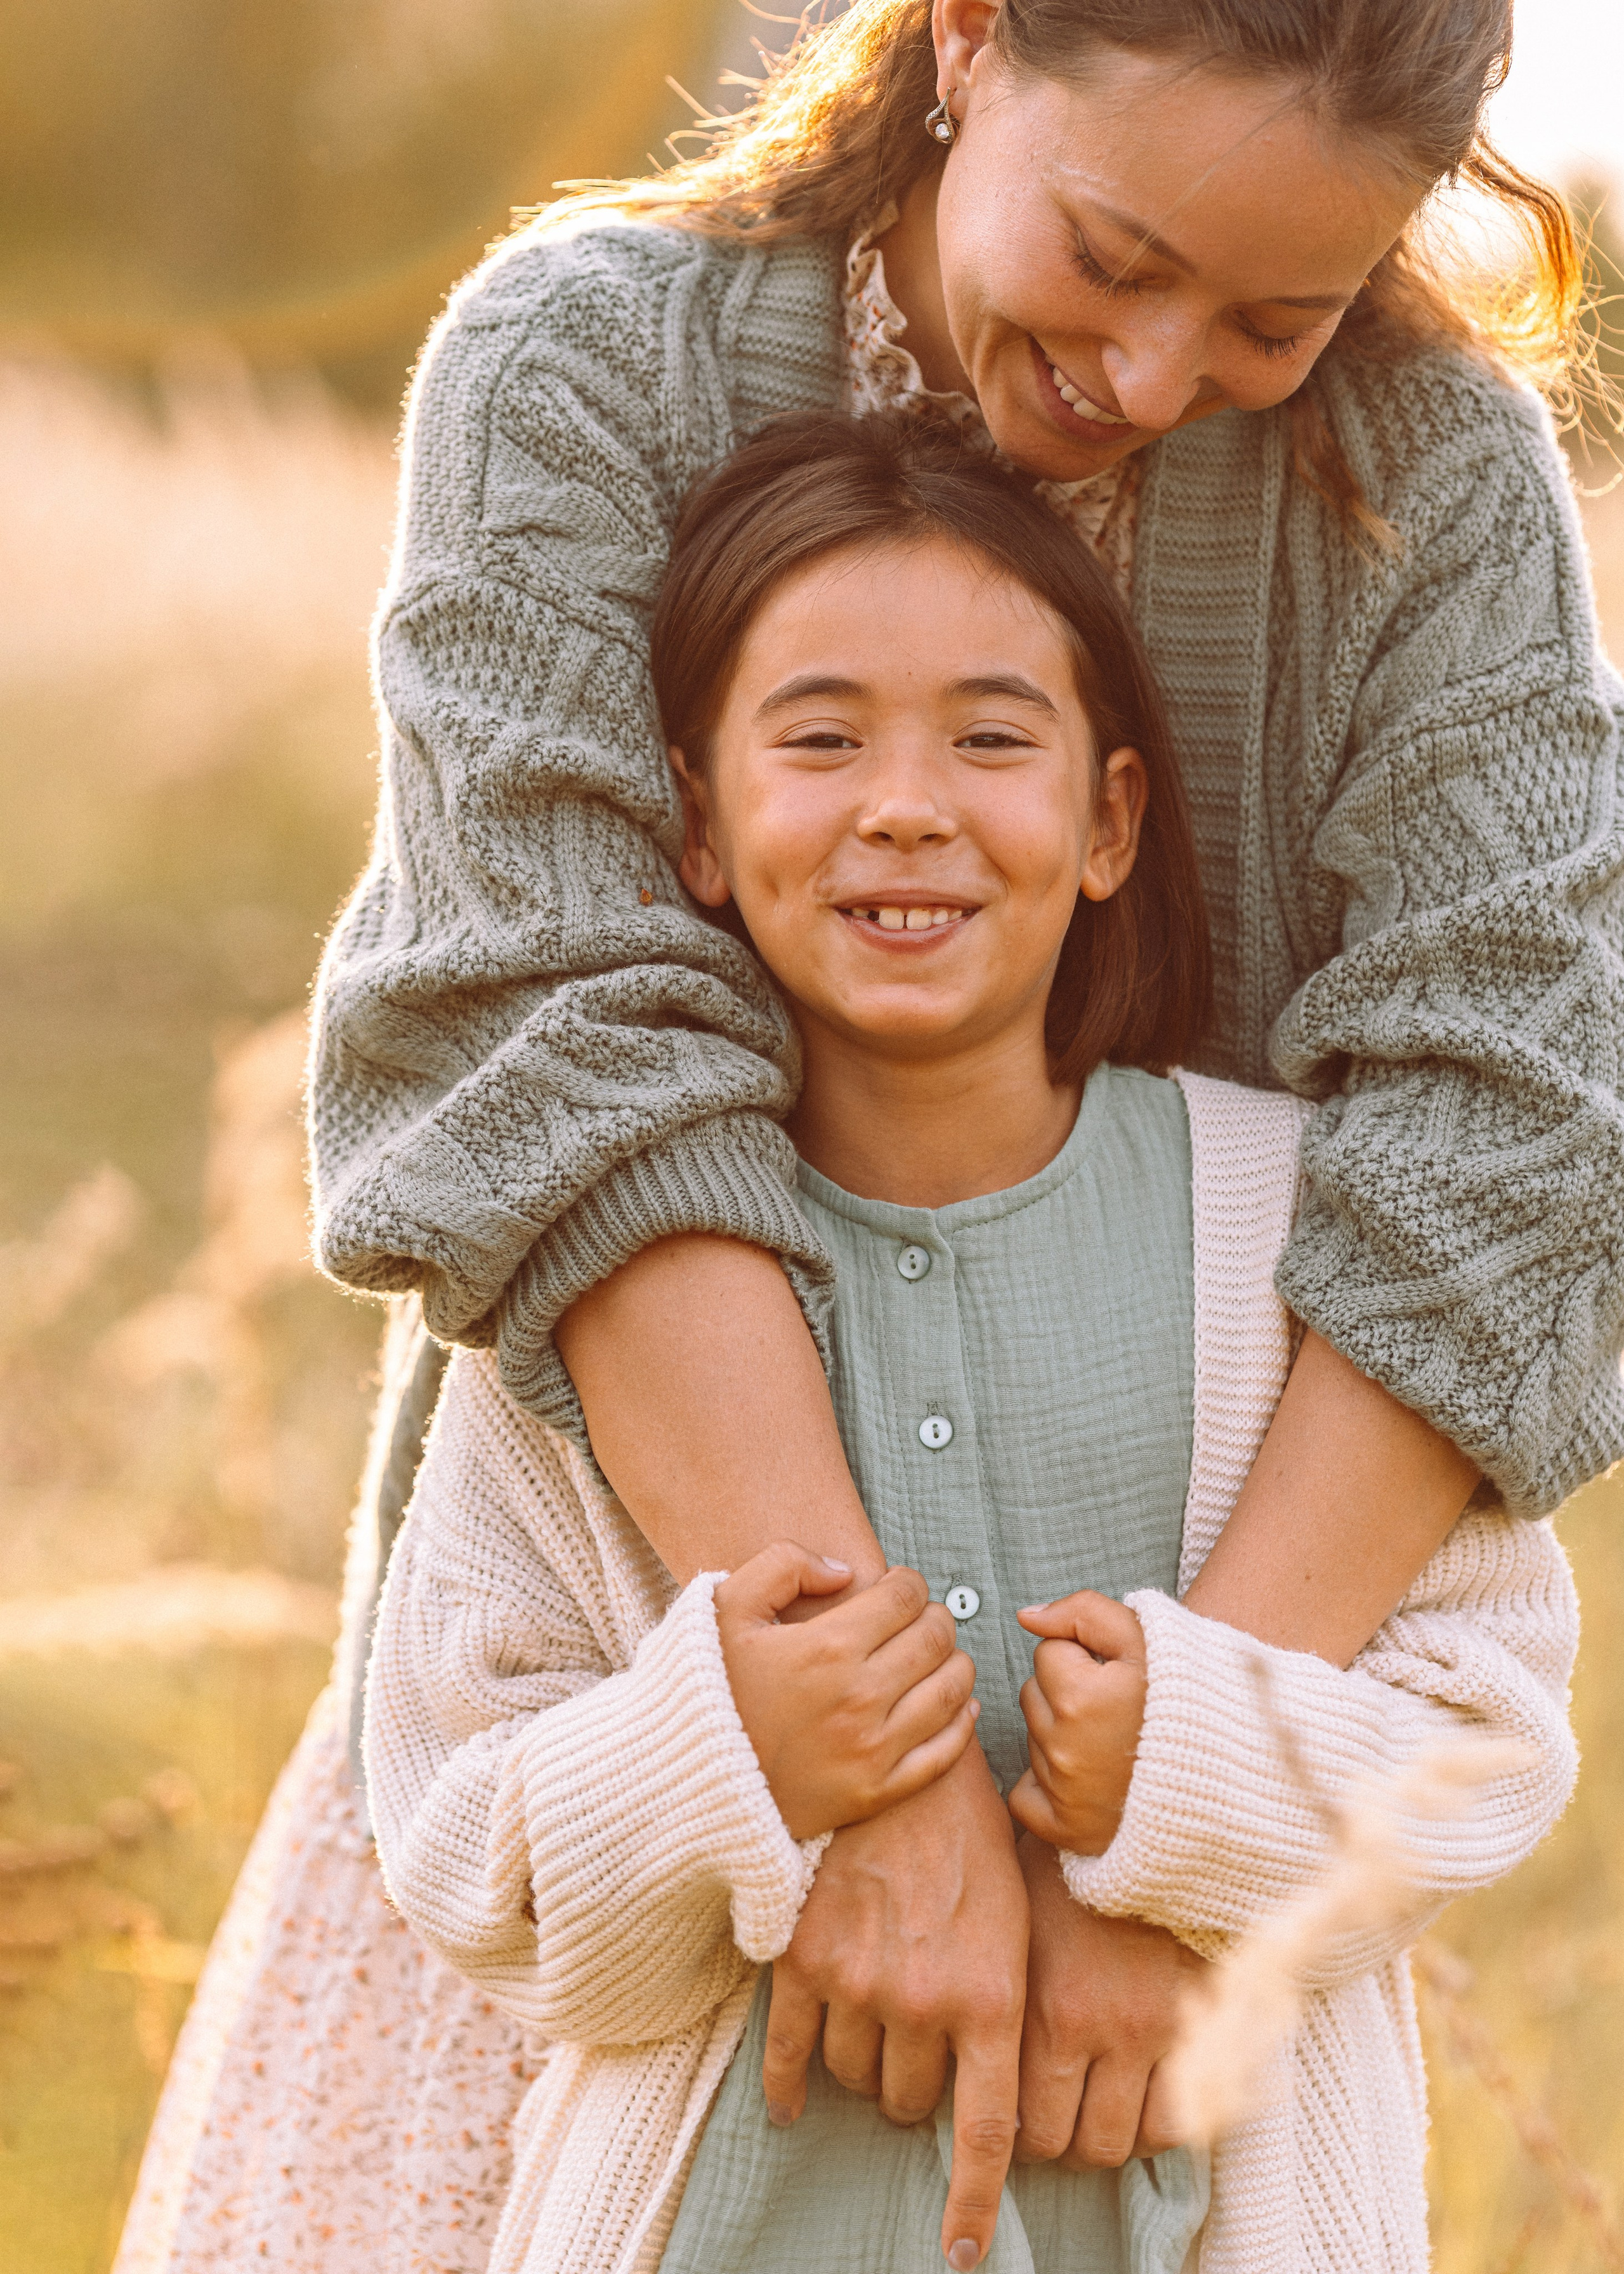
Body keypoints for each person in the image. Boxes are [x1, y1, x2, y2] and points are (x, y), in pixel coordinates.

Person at [114, 1, 1620, 2266]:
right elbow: (554, 1036)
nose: (1148, 369)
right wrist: (873, 1795)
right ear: (969, 40)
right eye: (1111, 255)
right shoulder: (582, 360)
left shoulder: (1434, 482)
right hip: (662, 1682)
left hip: (1220, 1691)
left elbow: (1515, 1125)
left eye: (1271, 319)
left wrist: (1184, 1831)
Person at [361, 412, 1579, 2274]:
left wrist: (1201, 1777)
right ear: (694, 823)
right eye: (823, 737)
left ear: (1108, 825)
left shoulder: (1285, 1229)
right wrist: (723, 1756)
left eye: (992, 739)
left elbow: (1489, 1733)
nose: (906, 804)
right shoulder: (611, 1284)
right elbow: (468, 1853)